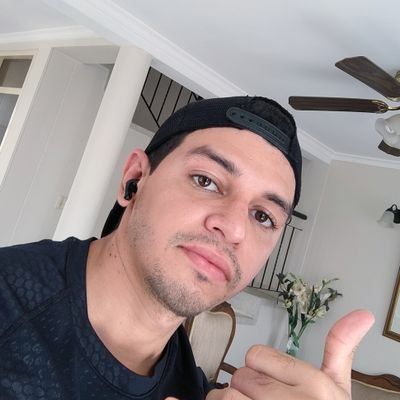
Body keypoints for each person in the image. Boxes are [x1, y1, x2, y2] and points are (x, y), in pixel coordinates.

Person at [0, 96, 374, 399]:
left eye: (263, 217)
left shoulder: (191, 386)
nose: (234, 228)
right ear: (135, 179)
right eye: (205, 180)